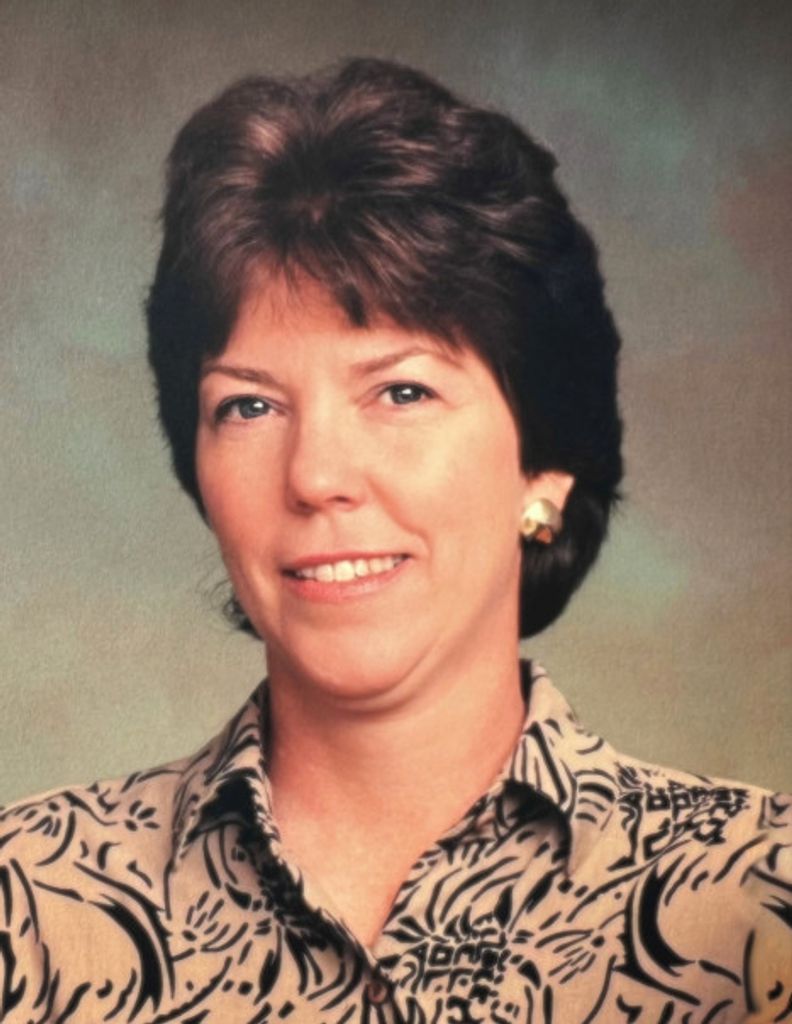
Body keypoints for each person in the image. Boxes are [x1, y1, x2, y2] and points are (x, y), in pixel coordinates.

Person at [0, 58, 789, 1024]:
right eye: (248, 406)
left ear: (544, 464)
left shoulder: (757, 908)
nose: (315, 475)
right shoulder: (29, 907)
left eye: (401, 392)